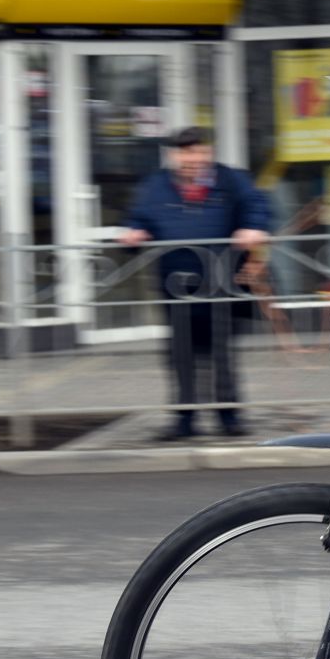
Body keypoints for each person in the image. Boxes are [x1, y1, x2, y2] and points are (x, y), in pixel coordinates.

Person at [121, 127, 272, 440]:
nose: (194, 158)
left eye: (199, 151)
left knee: (221, 352)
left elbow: (257, 205)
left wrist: (252, 228)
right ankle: (184, 421)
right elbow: (139, 218)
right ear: (174, 155)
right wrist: (134, 233)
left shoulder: (230, 180)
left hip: (222, 280)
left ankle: (229, 418)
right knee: (180, 354)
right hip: (175, 284)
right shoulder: (156, 186)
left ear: (209, 153)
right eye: (186, 152)